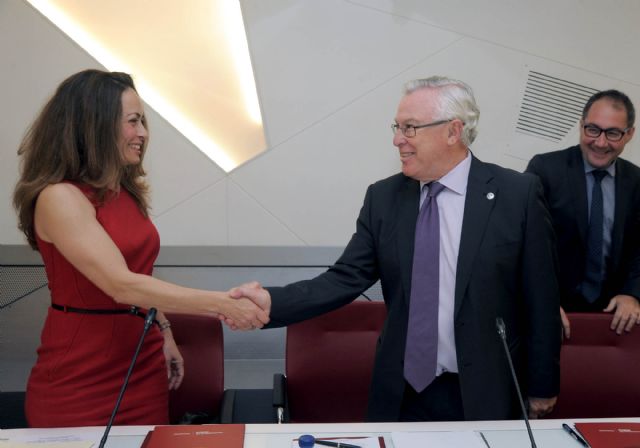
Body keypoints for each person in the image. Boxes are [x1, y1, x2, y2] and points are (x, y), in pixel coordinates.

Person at [231, 76, 561, 422]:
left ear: (453, 131)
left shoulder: (516, 194)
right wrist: (272, 302)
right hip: (403, 392)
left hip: (487, 391)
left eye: (410, 128)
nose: (397, 140)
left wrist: (543, 386)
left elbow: (542, 299)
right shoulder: (384, 198)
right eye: (397, 127)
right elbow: (343, 279)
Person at [12, 69, 269, 428]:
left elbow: (139, 274)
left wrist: (162, 330)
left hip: (141, 362)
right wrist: (223, 305)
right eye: (134, 122)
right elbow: (121, 285)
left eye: (143, 121)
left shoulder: (124, 191)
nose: (143, 134)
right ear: (95, 125)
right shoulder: (59, 198)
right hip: (81, 375)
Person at [526, 90, 640, 338]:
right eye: (592, 130)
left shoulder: (637, 181)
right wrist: (541, 301)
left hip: (613, 320)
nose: (600, 142)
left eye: (612, 133)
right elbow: (526, 245)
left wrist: (633, 293)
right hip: (551, 310)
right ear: (581, 125)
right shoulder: (545, 169)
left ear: (629, 134)